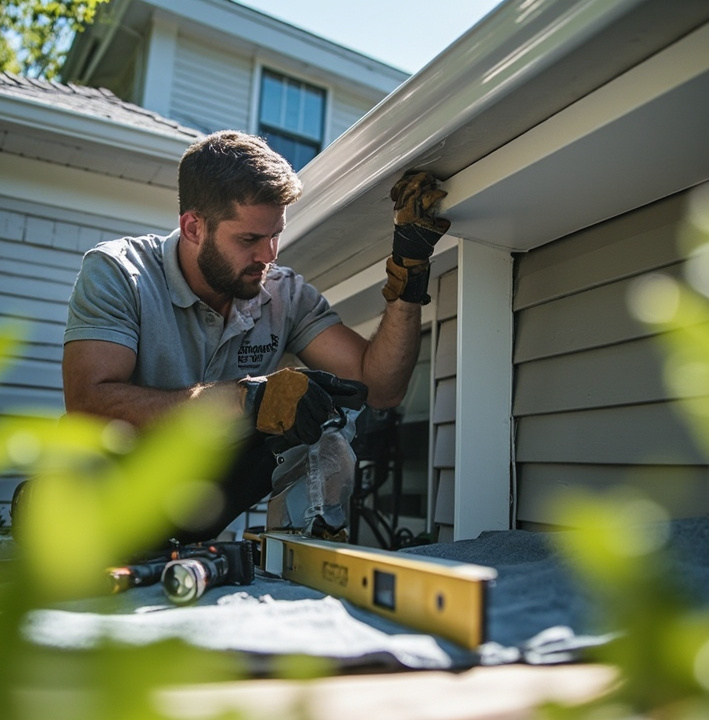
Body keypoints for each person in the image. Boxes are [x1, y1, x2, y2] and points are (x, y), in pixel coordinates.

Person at [53, 130, 450, 544]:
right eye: (250, 239)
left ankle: (302, 559)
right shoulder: (119, 273)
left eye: (275, 234)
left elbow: (381, 388)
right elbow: (89, 405)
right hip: (108, 505)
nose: (269, 254)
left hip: (207, 500)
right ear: (193, 227)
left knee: (319, 415)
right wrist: (245, 399)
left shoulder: (284, 294)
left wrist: (409, 275)